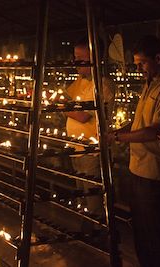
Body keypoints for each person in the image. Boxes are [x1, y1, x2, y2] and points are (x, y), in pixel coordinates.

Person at [109, 35, 160, 267]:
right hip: (139, 169)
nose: (138, 68)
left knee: (159, 236)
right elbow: (139, 124)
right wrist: (119, 130)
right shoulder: (149, 83)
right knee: (143, 234)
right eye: (136, 64)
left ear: (159, 58)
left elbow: (155, 130)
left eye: (142, 63)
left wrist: (117, 137)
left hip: (156, 172)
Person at [65, 37, 115, 222]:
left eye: (80, 57)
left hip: (91, 152)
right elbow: (69, 104)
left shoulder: (102, 84)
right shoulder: (81, 81)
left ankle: (99, 236)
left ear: (94, 58)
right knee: (82, 197)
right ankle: (88, 232)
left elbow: (83, 115)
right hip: (77, 149)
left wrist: (63, 107)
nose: (75, 62)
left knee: (93, 199)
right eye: (75, 57)